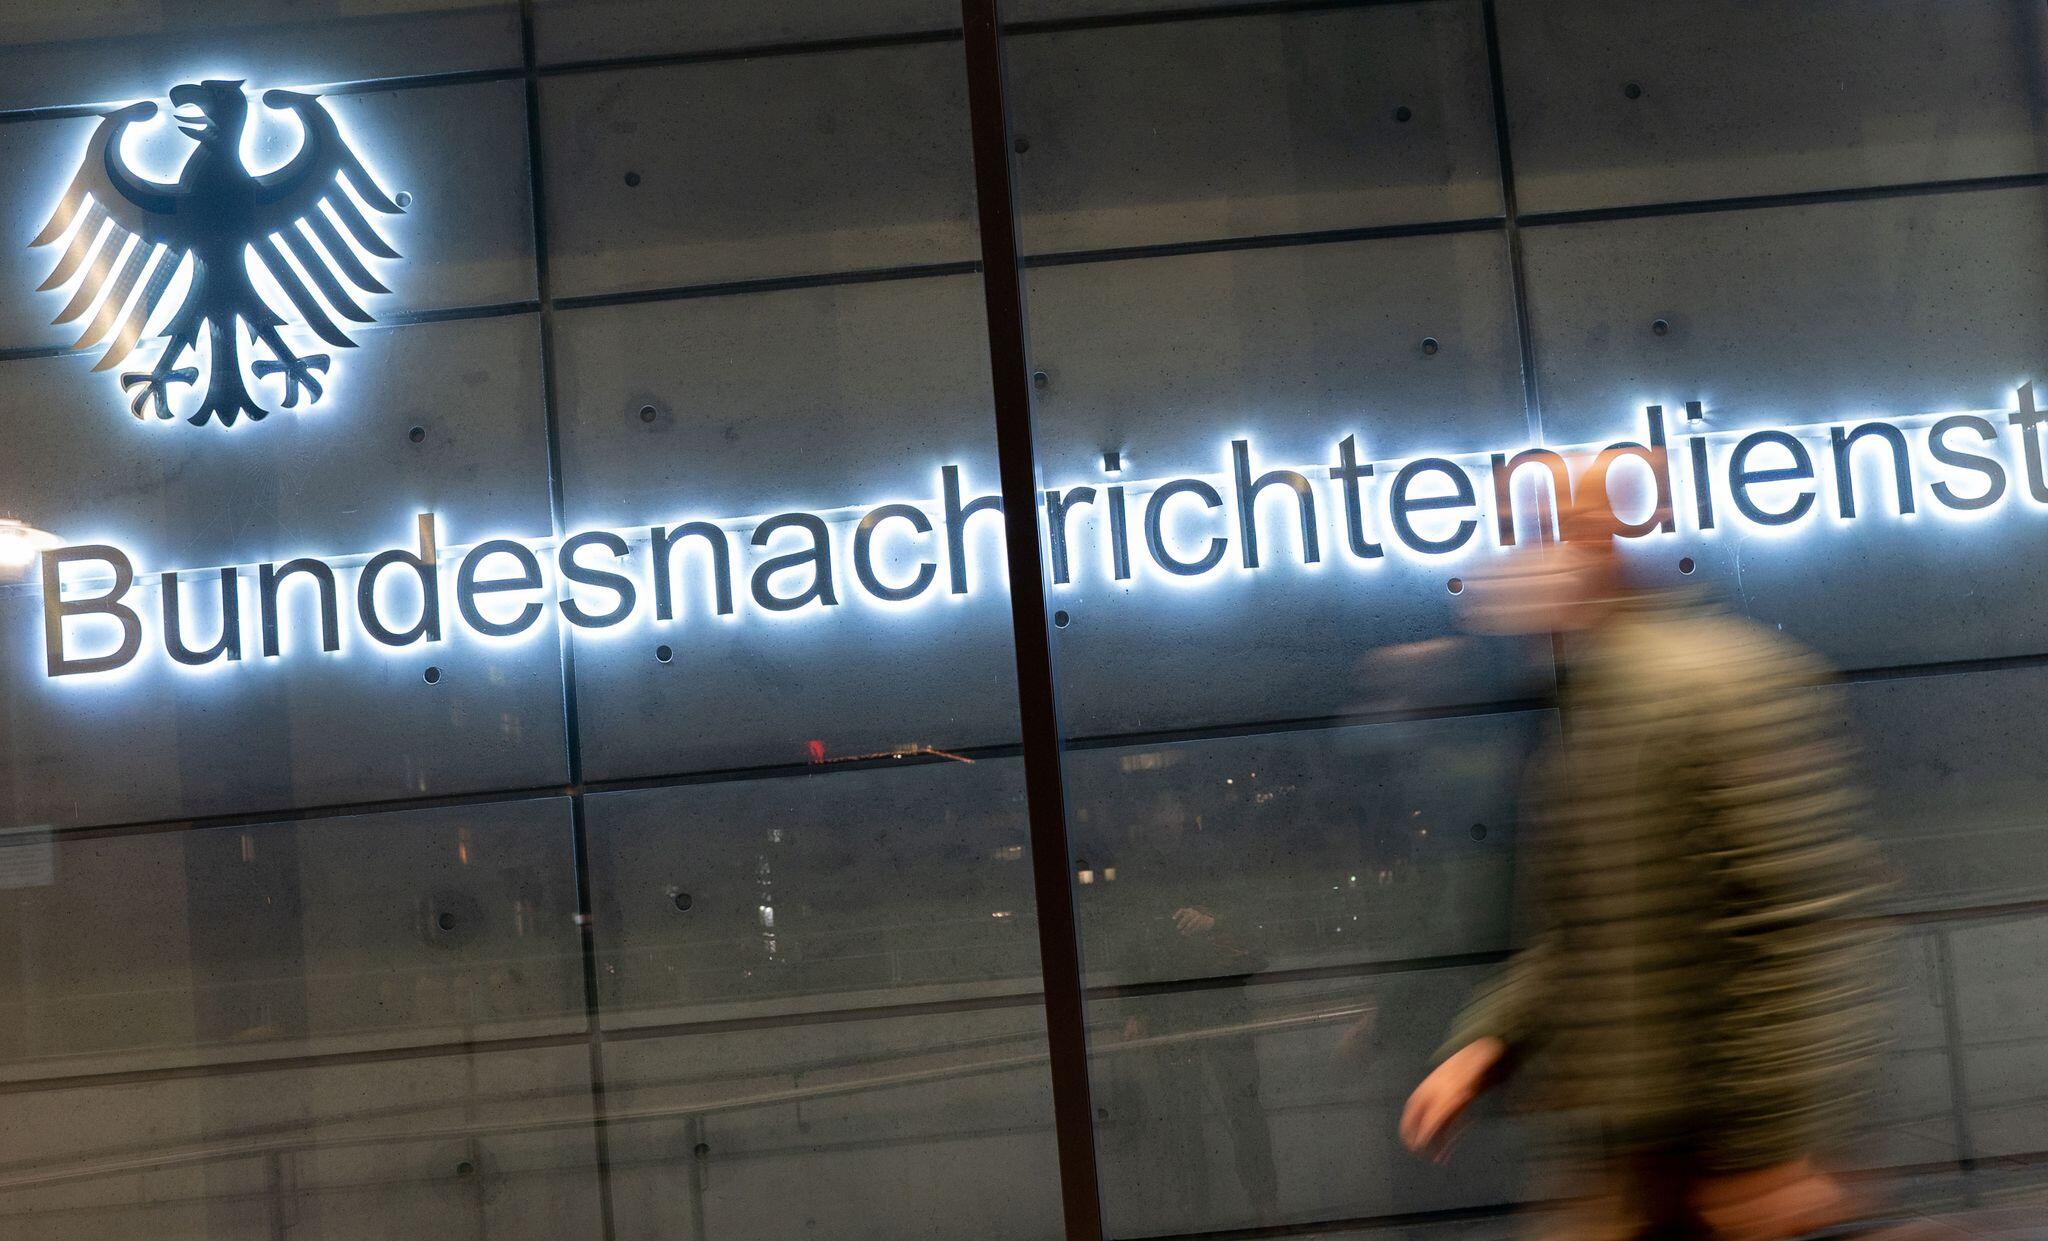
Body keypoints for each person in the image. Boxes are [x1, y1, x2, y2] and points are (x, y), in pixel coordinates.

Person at [1400, 451, 1887, 1240]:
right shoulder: (1592, 705)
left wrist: (1766, 1146)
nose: (1504, 565)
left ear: (1601, 544)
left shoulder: (1721, 683)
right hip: (1630, 1143)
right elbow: (1583, 932)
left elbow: (1796, 927)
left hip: (1712, 1150)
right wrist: (1488, 1041)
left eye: (1535, 534)